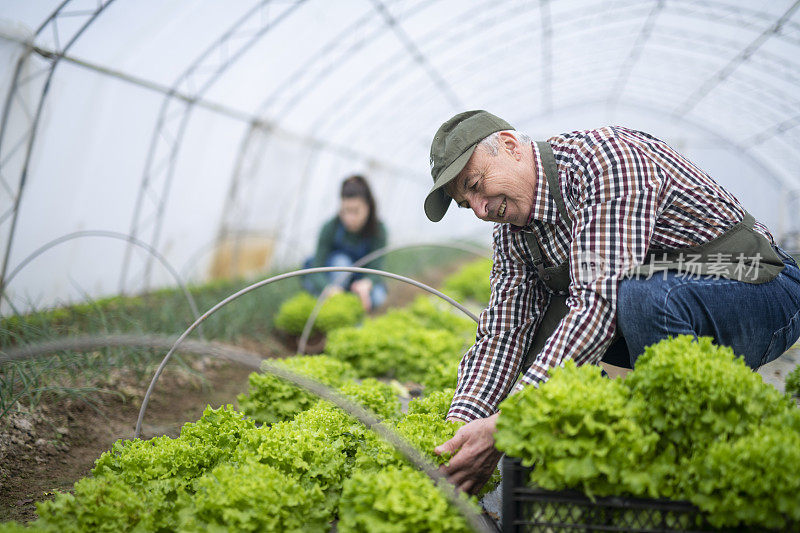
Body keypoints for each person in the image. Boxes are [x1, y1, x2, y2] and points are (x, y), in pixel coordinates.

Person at [424, 110, 800, 495]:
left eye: (475, 184)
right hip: (672, 306)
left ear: (509, 147)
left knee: (640, 295)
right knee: (543, 323)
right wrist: (458, 430)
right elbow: (505, 332)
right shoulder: (514, 231)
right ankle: (623, 449)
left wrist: (508, 422)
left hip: (762, 290)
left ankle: (681, 459)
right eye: (468, 204)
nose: (482, 209)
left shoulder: (606, 161)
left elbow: (597, 305)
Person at [303, 175, 388, 311]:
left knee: (378, 296)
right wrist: (329, 289)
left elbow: (376, 269)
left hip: (358, 281)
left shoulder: (379, 230)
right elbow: (316, 269)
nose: (349, 218)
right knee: (342, 262)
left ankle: (350, 303)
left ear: (368, 207)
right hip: (333, 279)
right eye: (346, 211)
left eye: (355, 211)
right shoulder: (330, 227)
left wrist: (366, 284)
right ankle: (335, 304)